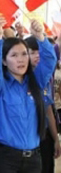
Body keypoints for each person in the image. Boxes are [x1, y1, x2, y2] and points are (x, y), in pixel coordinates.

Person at [0, 19, 57, 173]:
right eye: (14, 55)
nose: (21, 59)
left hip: (33, 159)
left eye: (24, 54)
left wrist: (40, 37)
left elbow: (50, 61)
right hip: (6, 159)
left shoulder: (36, 82)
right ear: (4, 61)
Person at [25, 36, 61, 173]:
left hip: (45, 135)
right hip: (28, 137)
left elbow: (48, 110)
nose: (37, 55)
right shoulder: (21, 79)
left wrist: (55, 138)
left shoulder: (46, 79)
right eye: (32, 52)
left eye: (39, 52)